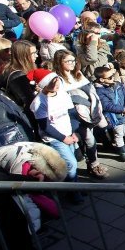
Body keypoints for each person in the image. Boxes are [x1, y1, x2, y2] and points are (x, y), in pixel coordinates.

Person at [27, 68, 83, 203]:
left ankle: (76, 188)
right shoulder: (39, 102)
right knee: (71, 164)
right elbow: (45, 126)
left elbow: (72, 114)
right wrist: (64, 138)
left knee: (70, 163)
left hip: (69, 133)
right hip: (55, 138)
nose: (56, 83)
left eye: (56, 80)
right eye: (51, 82)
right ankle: (73, 192)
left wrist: (74, 132)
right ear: (43, 85)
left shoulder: (63, 94)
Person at [52, 49, 109, 180]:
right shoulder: (57, 78)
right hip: (74, 116)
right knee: (89, 139)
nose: (72, 63)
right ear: (59, 62)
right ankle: (93, 165)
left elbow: (90, 90)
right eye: (68, 61)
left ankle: (92, 163)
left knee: (90, 139)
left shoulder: (78, 74)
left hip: (89, 112)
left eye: (73, 60)